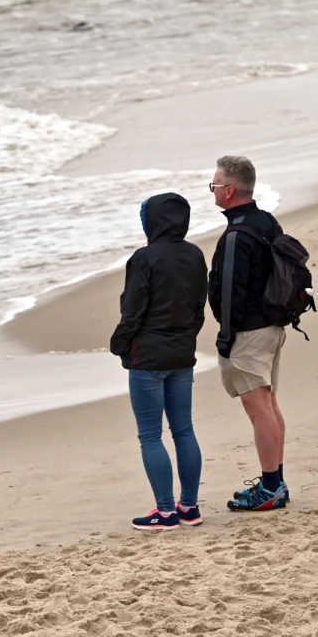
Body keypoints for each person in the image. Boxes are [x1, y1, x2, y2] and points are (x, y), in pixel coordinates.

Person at [110, 192, 208, 531]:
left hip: (148, 357)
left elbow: (132, 310)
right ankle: (190, 508)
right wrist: (184, 339)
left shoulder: (144, 258)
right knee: (184, 429)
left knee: (150, 434)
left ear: (151, 221)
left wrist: (120, 344)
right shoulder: (195, 254)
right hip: (182, 354)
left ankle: (165, 513)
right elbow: (199, 310)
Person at [207, 155, 290, 512]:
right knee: (268, 404)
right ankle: (275, 482)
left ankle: (271, 487)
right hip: (272, 325)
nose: (212, 191)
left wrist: (226, 337)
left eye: (214, 186)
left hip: (250, 333)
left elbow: (227, 295)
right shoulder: (266, 221)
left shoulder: (236, 236)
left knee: (259, 408)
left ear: (228, 191)